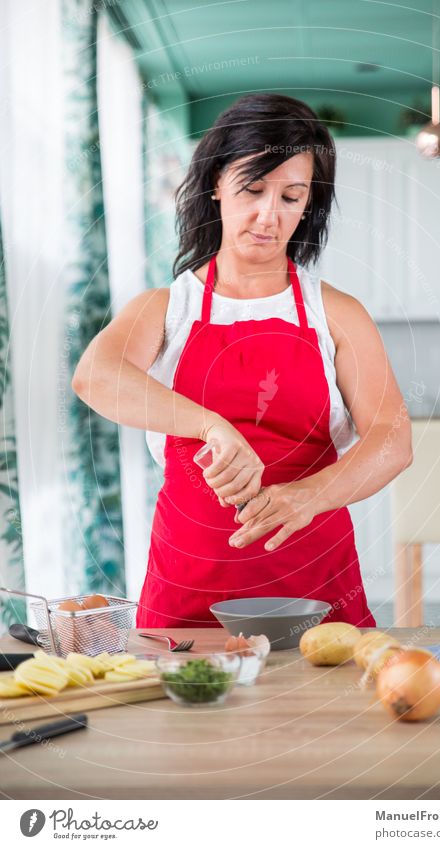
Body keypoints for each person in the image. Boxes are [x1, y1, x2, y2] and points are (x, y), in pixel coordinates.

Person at [72, 93, 412, 629]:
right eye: (252, 189)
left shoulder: (338, 314)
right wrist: (211, 426)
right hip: (187, 597)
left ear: (309, 204)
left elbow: (392, 438)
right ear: (215, 185)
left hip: (316, 594)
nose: (267, 216)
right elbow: (95, 376)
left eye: (291, 197)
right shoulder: (166, 309)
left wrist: (308, 496)